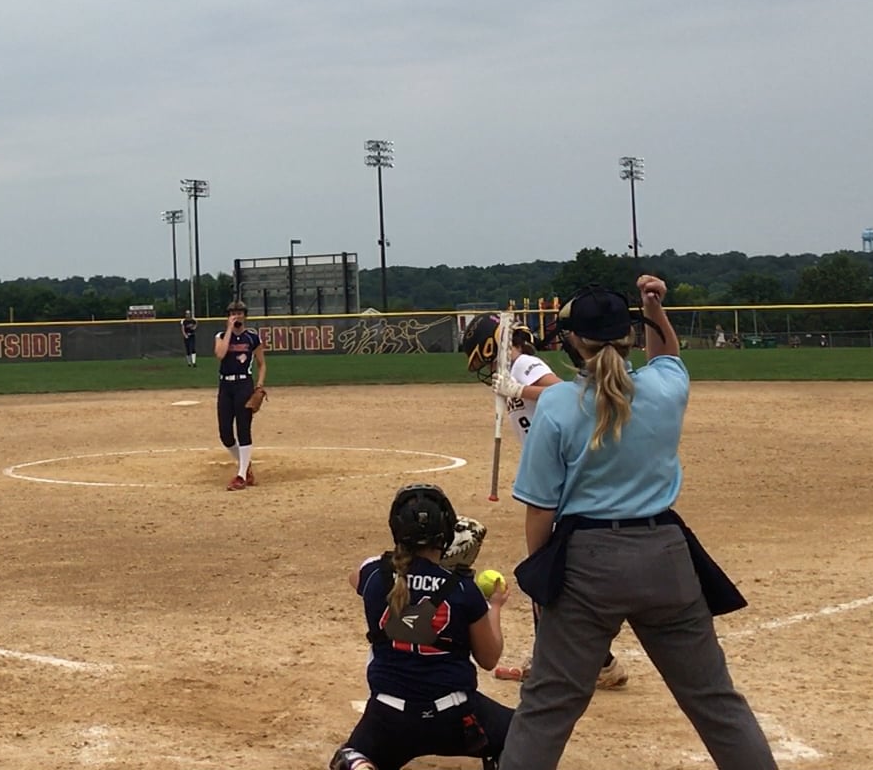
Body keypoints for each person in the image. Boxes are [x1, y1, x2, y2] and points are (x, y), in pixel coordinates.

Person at [499, 277, 775, 770]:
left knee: (547, 708)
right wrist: (654, 307)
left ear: (572, 342)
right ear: (630, 336)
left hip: (586, 564)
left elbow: (540, 508)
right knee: (715, 701)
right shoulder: (666, 389)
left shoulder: (557, 405)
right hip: (666, 556)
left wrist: (541, 576)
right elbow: (667, 357)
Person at [462, 315, 626, 690]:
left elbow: (562, 391)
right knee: (554, 572)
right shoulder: (514, 371)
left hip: (560, 480)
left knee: (544, 572)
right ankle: (592, 660)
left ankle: (566, 660)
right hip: (555, 476)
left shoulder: (523, 364)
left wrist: (519, 388)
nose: (488, 370)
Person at [330, 484, 513, 770]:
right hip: (456, 718)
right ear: (446, 532)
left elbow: (357, 577)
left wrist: (406, 568)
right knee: (526, 732)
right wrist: (495, 605)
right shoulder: (463, 589)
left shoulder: (375, 575)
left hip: (388, 718)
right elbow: (489, 659)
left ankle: (359, 763)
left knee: (350, 755)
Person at [212, 300, 266, 491]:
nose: (236, 315)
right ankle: (246, 465)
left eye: (240, 312)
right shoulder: (220, 336)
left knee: (243, 429)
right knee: (225, 433)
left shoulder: (252, 337)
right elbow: (220, 354)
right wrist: (229, 329)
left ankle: (241, 475)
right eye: (233, 313)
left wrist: (259, 385)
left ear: (245, 315)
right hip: (225, 385)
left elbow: (262, 364)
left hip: (244, 384)